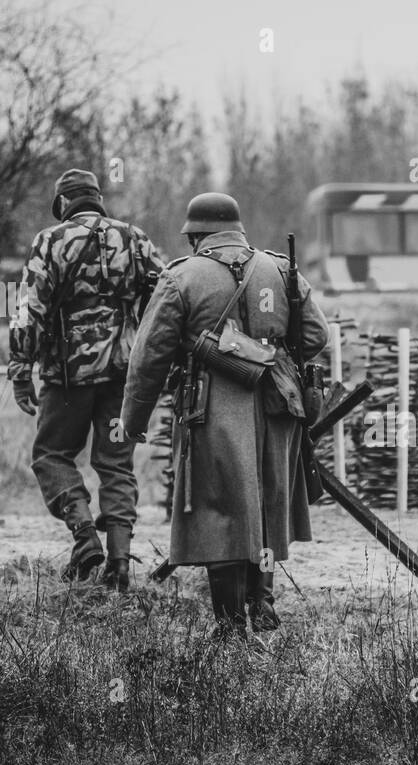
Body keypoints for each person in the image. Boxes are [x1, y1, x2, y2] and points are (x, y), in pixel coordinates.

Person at [120, 193, 328, 641]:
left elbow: (149, 356)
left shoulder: (181, 277)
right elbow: (315, 336)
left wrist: (133, 418)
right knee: (267, 504)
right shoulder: (280, 268)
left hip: (212, 405)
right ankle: (263, 601)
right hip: (279, 403)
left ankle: (231, 626)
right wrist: (269, 346)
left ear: (195, 234)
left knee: (220, 512)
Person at [9, 169, 164, 590]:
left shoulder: (50, 241)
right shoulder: (135, 238)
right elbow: (167, 297)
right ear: (98, 199)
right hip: (123, 376)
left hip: (67, 377)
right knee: (116, 465)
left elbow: (29, 310)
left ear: (62, 204)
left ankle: (83, 537)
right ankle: (119, 566)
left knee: (51, 455)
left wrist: (21, 369)